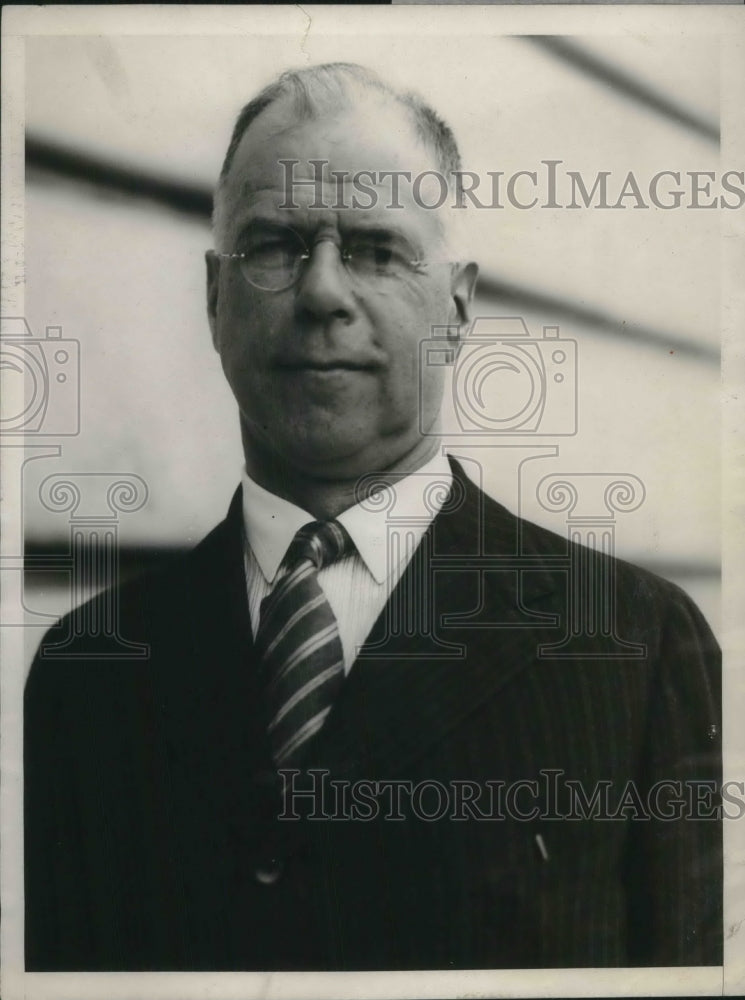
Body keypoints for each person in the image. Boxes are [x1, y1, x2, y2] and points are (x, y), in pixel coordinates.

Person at [24, 62, 722, 971]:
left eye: (374, 249)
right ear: (212, 296)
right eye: (274, 244)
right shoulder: (89, 673)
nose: (321, 293)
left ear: (458, 303)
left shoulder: (635, 648)